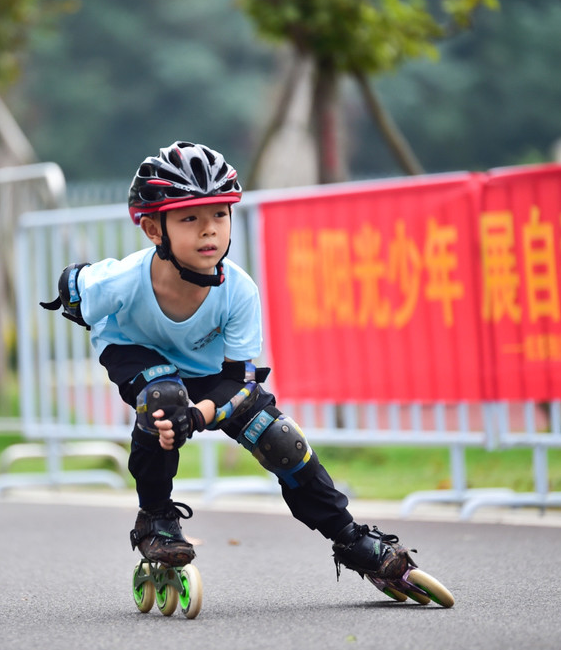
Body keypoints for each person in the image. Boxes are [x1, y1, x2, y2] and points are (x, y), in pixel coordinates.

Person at [41, 140, 431, 594]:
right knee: (162, 400)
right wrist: (72, 292)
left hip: (212, 374)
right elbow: (75, 284)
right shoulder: (121, 280)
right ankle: (157, 519)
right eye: (190, 218)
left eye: (220, 215)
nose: (209, 231)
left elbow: (239, 382)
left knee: (281, 439)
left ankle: (351, 539)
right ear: (152, 228)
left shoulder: (239, 291)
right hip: (135, 351)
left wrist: (200, 414)